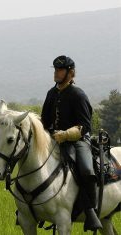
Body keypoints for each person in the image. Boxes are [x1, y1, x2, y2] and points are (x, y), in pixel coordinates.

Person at [41, 55, 102, 231]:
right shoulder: (51, 93)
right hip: (53, 140)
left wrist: (66, 134)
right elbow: (45, 121)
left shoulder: (78, 95)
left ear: (71, 73)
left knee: (87, 170)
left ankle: (90, 212)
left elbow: (85, 126)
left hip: (78, 141)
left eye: (60, 70)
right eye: (55, 70)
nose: (56, 73)